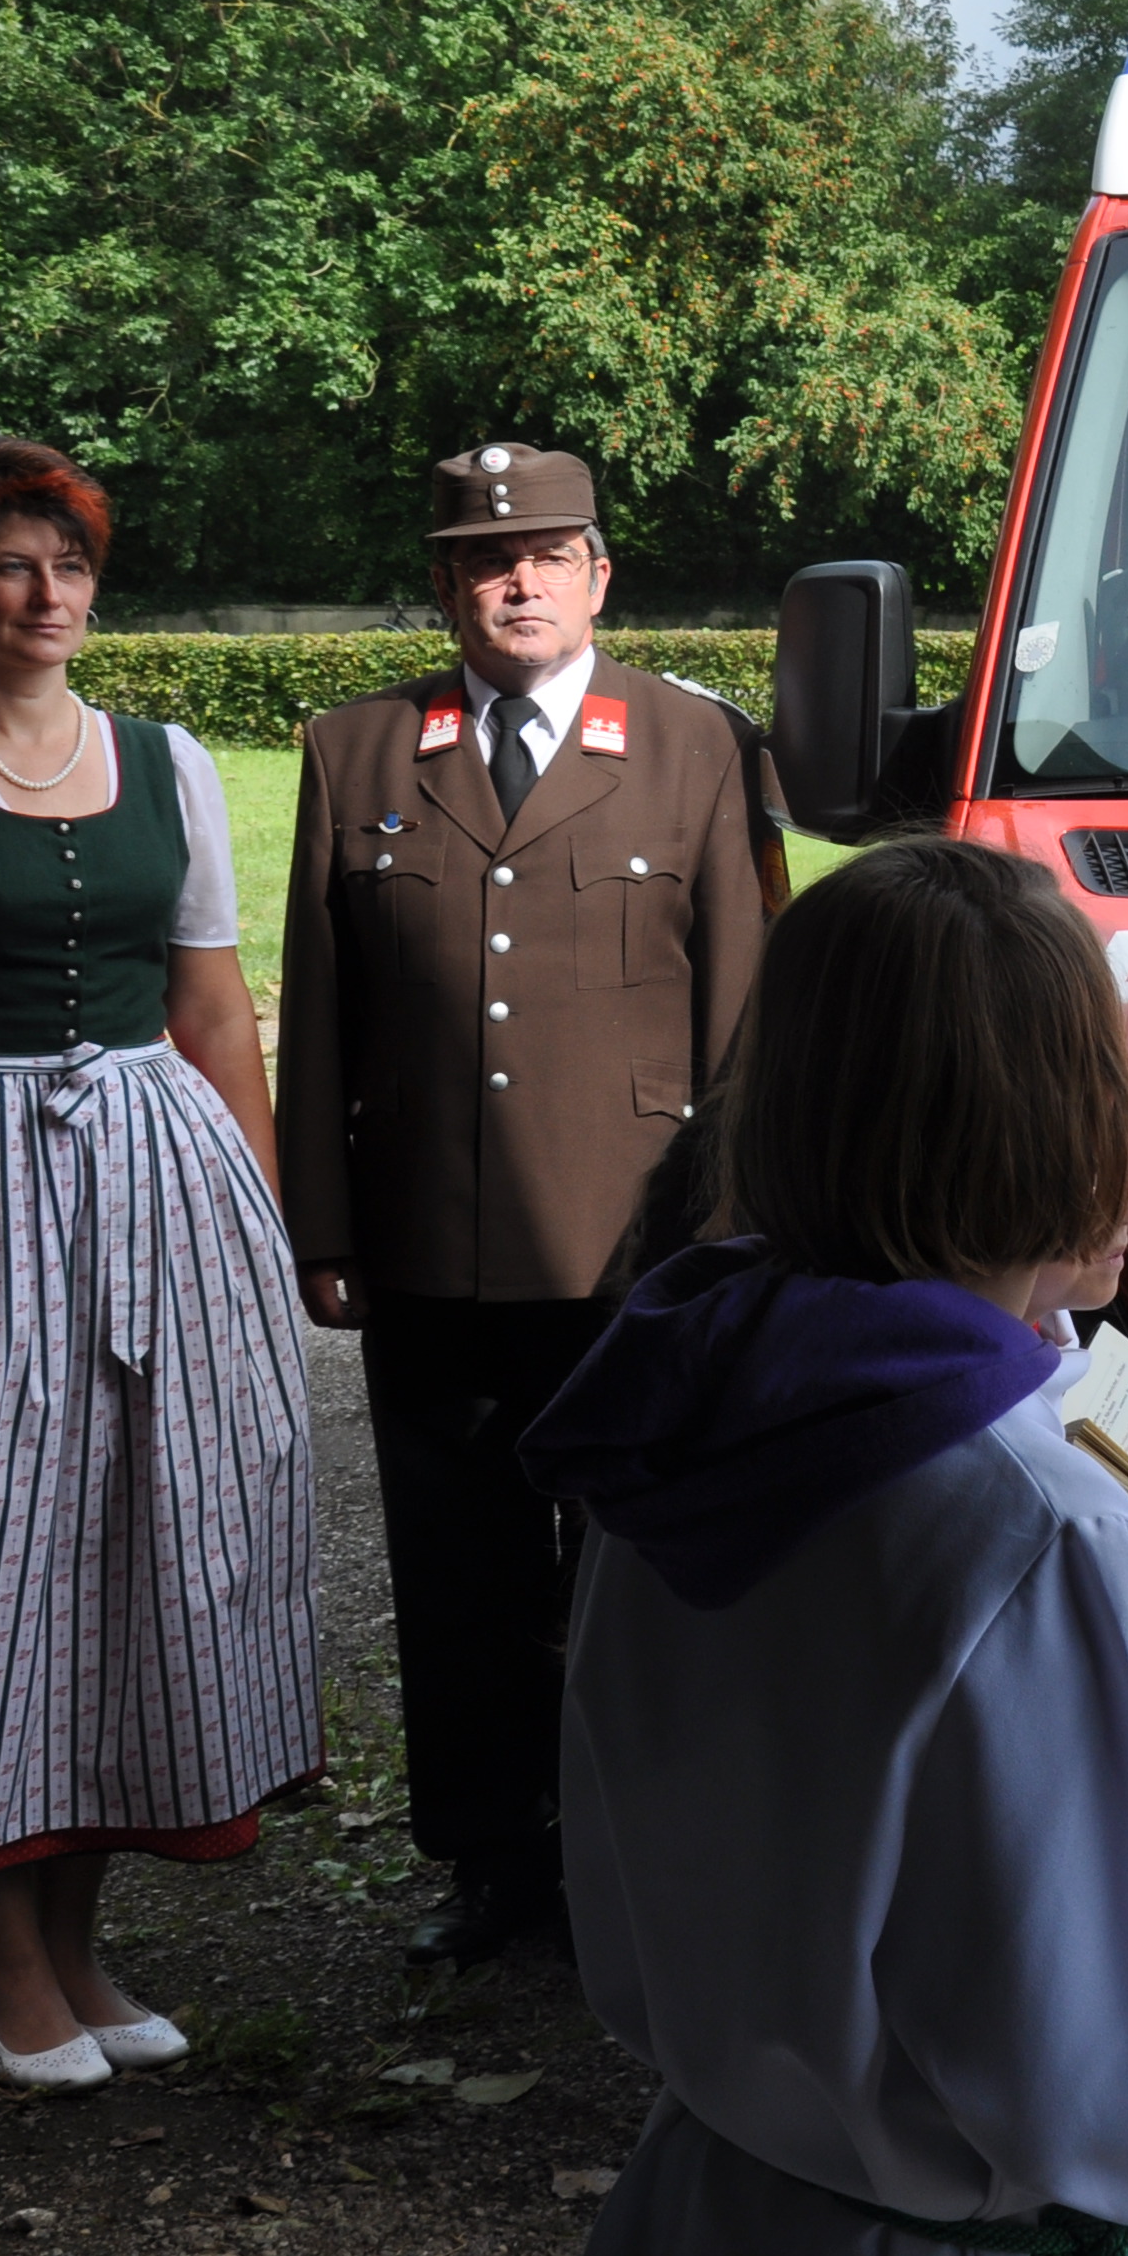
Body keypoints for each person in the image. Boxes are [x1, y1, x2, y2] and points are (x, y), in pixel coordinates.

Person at [524, 838, 1128, 2256]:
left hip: (726, 2229)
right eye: (1103, 1088)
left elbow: (828, 1810)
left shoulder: (692, 1401)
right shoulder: (1034, 1517)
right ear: (1049, 1125)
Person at [0, 439, 318, 2091]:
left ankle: (79, 1942)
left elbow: (213, 1010)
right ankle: (2, 1962)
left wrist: (256, 1231)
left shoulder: (169, 763)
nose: (49, 596)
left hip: (152, 1178)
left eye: (73, 565)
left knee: (130, 1546)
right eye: (11, 565)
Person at [274, 442, 775, 1968]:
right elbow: (321, 1009)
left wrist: (736, 1236)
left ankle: (649, 1859)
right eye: (488, 561)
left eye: (550, 555)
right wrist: (323, 1224)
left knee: (641, 1572)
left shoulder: (695, 747)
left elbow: (744, 1019)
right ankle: (495, 1865)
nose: (519, 581)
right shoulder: (357, 752)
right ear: (443, 586)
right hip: (430, 1244)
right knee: (457, 1574)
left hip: (636, 1255)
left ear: (599, 576)